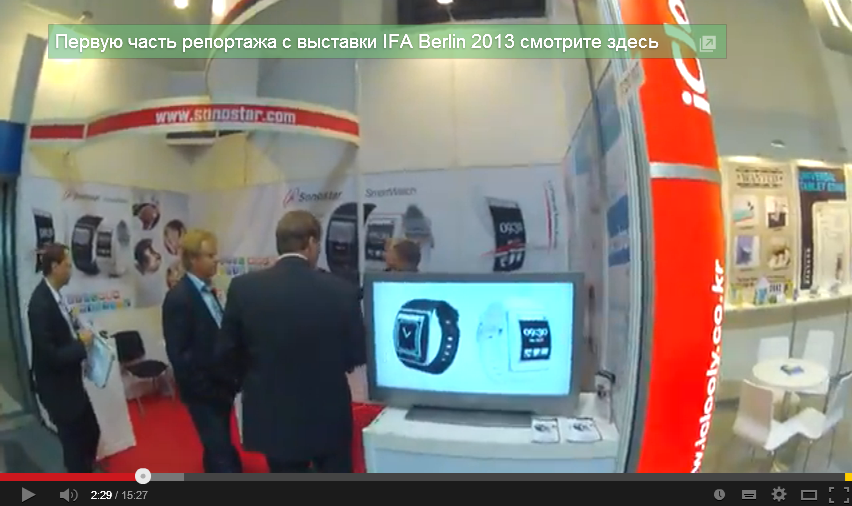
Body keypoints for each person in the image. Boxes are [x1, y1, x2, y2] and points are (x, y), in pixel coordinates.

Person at [217, 210, 366, 473]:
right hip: (327, 413)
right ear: (311, 243)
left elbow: (227, 352)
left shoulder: (244, 288)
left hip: (272, 414)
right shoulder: (342, 290)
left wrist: (255, 376)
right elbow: (357, 353)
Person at [161, 229, 242, 473]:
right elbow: (179, 355)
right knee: (220, 450)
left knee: (217, 445)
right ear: (193, 259)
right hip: (203, 392)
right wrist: (206, 389)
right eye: (210, 255)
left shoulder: (208, 291)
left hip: (221, 386)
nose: (216, 260)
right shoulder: (179, 298)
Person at [27, 243, 101, 472]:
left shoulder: (55, 296)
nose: (71, 270)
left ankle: (85, 469)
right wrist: (81, 344)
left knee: (92, 432)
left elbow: (60, 335)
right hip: (58, 391)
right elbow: (52, 356)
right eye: (67, 266)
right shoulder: (39, 305)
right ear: (54, 267)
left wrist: (76, 330)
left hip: (71, 384)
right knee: (74, 448)